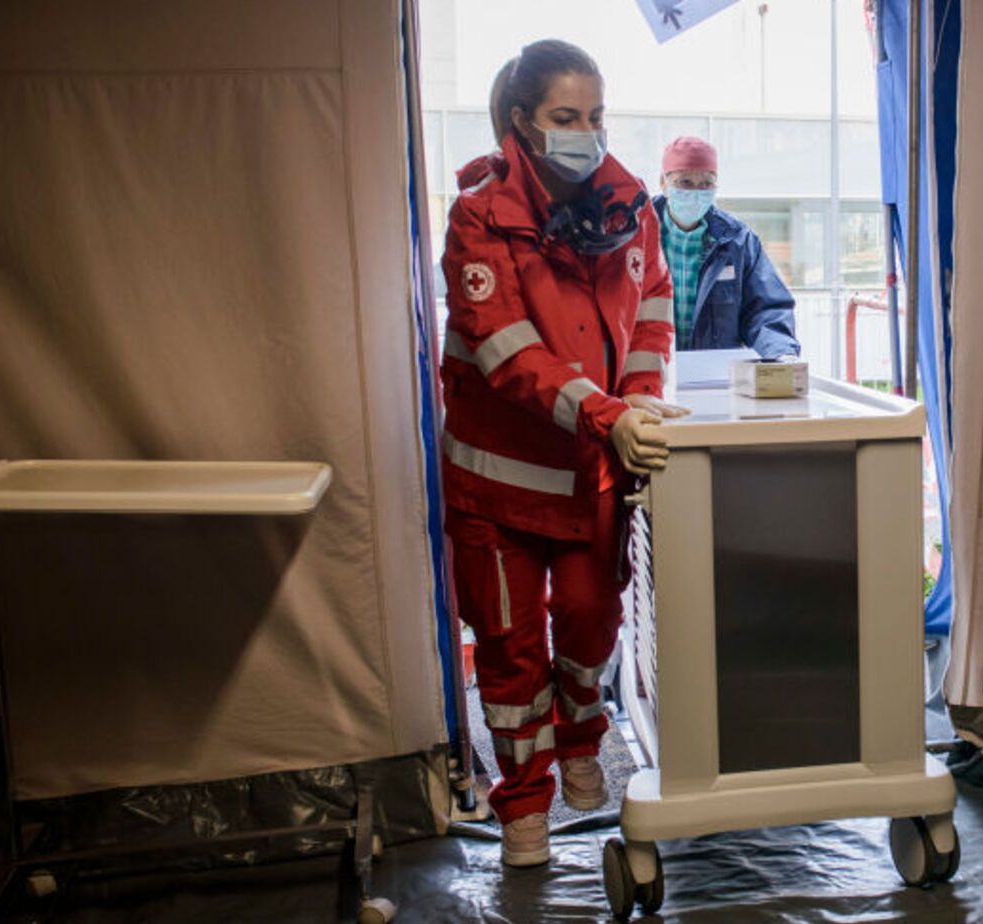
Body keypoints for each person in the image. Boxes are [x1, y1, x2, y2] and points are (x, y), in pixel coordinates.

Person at [440, 38, 686, 869]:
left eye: (597, 115)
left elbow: (652, 306)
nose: (589, 131)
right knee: (511, 655)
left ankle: (583, 735)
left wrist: (641, 403)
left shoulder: (631, 207)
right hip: (497, 486)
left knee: (590, 623)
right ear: (523, 123)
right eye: (567, 117)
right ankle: (524, 807)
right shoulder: (479, 216)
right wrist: (605, 413)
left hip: (591, 471)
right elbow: (506, 352)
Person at [652, 136, 802, 360]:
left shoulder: (737, 241)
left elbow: (766, 309)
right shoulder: (635, 235)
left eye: (706, 184)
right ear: (663, 183)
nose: (696, 192)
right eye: (685, 182)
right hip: (646, 375)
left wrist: (781, 355)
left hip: (713, 377)